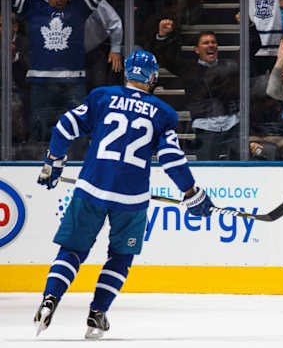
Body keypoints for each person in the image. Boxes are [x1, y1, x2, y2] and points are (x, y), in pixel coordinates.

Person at [34, 50, 214, 339]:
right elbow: (170, 157)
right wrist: (191, 192)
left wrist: (53, 162)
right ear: (153, 78)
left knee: (73, 250)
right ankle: (97, 313)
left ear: (126, 73)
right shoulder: (164, 112)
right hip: (130, 201)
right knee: (120, 256)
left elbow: (64, 127)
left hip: (91, 188)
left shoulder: (102, 96)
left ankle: (49, 300)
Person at [12, 0, 110, 159]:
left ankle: (78, 169)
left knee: (79, 133)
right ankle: (36, 171)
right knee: (39, 132)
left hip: (73, 85)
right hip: (41, 86)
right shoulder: (33, 6)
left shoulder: (79, 8)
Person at [151, 19, 241, 160]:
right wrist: (162, 37)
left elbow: (250, 51)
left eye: (213, 42)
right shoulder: (189, 69)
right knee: (207, 174)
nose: (211, 45)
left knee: (237, 171)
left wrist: (249, 27)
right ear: (197, 50)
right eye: (206, 43)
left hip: (232, 127)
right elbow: (166, 59)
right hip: (204, 129)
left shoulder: (229, 65)